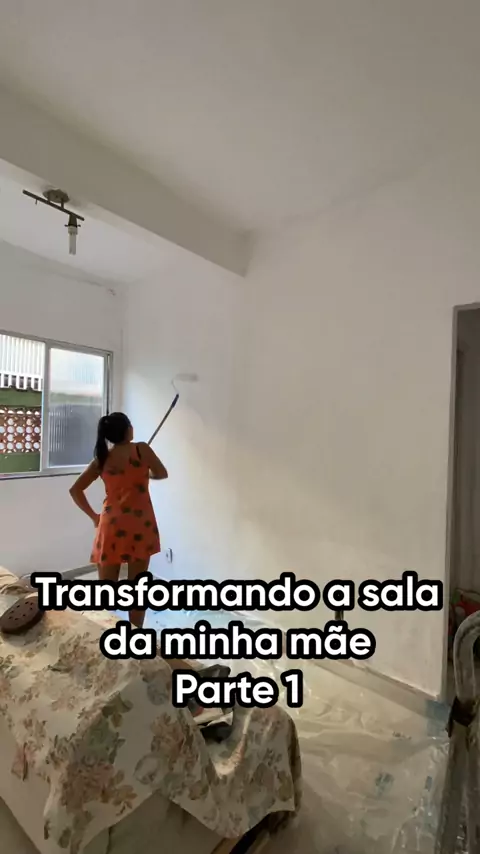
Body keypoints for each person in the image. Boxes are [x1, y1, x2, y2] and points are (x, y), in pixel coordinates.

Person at [69, 412, 167, 627]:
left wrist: (94, 516)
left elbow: (75, 490)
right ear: (127, 429)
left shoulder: (102, 458)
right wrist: (145, 474)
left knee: (106, 589)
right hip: (140, 524)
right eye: (130, 424)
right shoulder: (142, 449)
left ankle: (102, 631)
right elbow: (162, 473)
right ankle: (135, 634)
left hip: (111, 524)